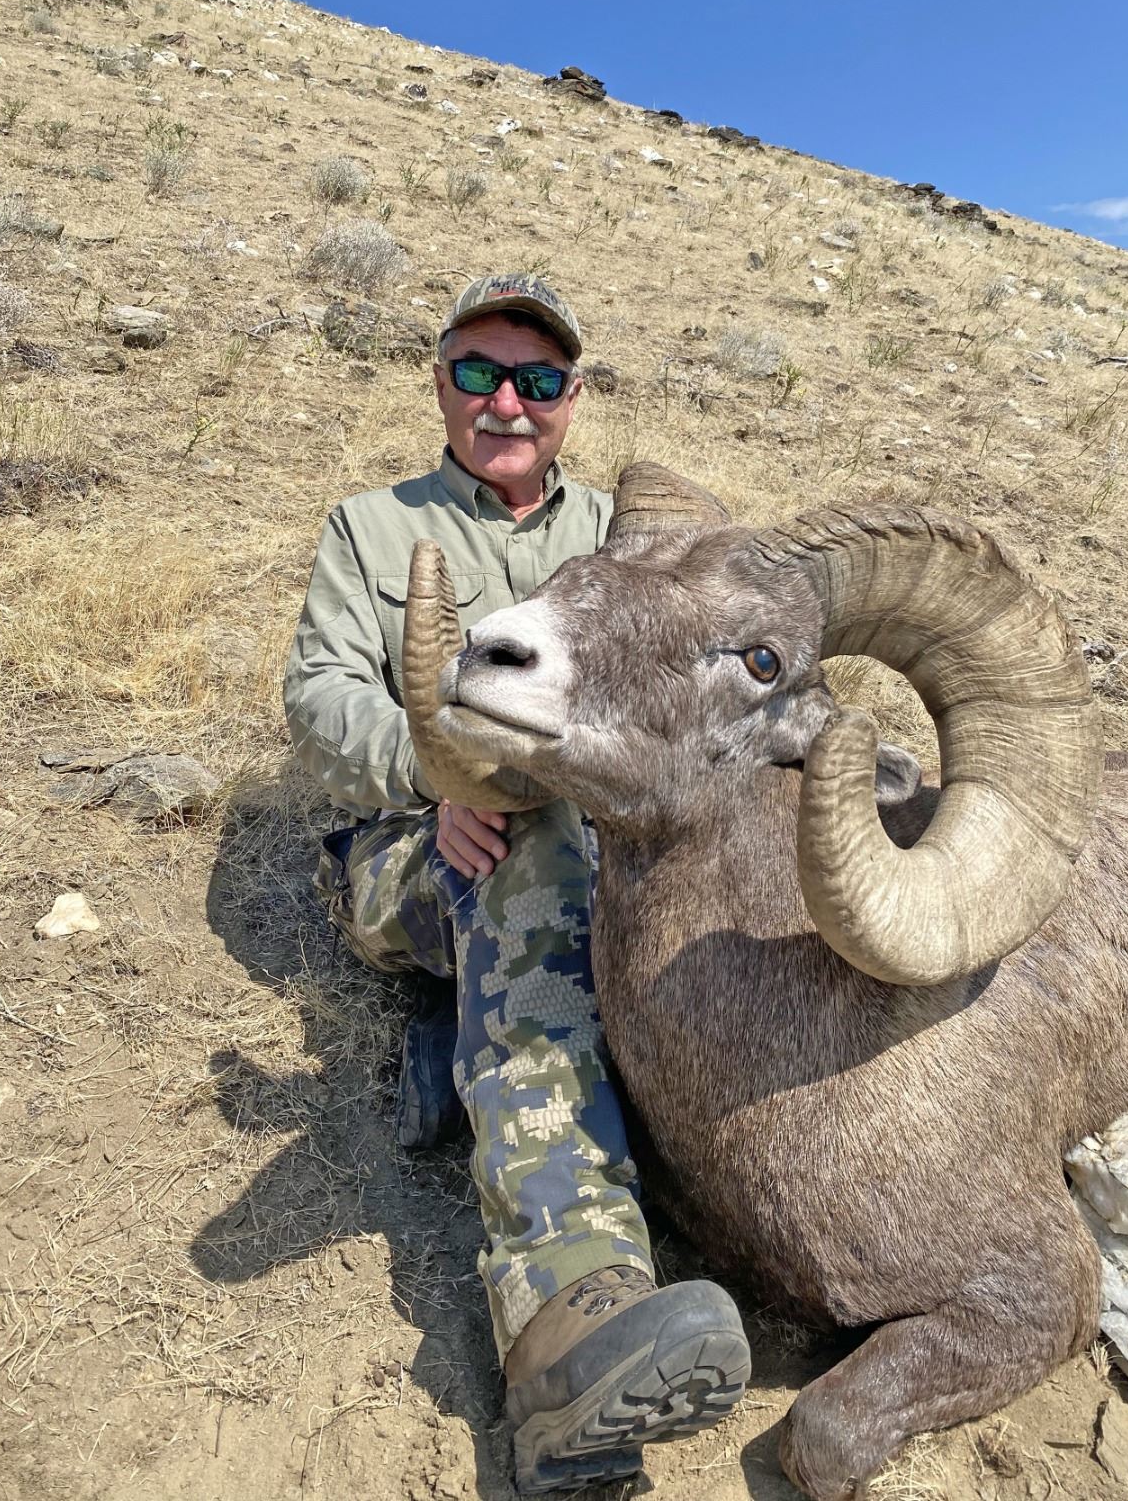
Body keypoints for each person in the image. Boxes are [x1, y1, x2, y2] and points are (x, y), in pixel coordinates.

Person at [283, 274, 750, 1492]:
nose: (507, 402)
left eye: (537, 380)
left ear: (572, 399)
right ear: (440, 383)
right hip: (413, 848)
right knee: (530, 853)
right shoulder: (371, 528)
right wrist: (432, 774)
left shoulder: (623, 534)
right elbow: (320, 700)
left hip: (607, 836)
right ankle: (566, 1313)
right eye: (480, 373)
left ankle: (471, 1055)